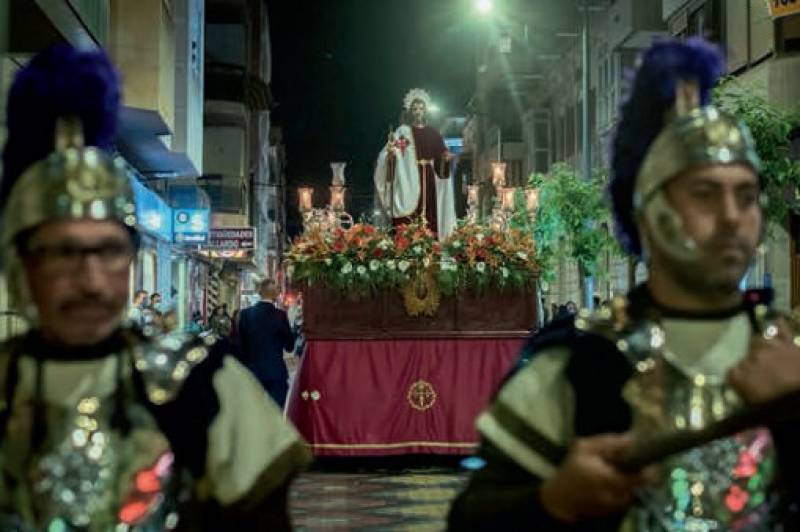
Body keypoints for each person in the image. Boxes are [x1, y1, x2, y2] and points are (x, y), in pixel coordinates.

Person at [448, 38, 800, 530]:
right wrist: (554, 500)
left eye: (746, 196)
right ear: (650, 213)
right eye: (705, 194)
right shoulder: (577, 361)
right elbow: (471, 521)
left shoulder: (790, 352)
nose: (731, 218)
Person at [0, 45, 310, 530]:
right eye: (62, 252)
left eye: (107, 250)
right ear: (21, 263)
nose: (89, 278)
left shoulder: (202, 383)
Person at [374, 87, 456, 238]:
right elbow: (387, 154)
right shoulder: (403, 132)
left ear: (426, 111)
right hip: (409, 179)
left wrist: (444, 159)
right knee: (410, 215)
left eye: (421, 108)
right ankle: (407, 245)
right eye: (415, 108)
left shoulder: (433, 133)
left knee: (430, 214)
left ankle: (430, 247)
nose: (418, 111)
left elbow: (441, 162)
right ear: (410, 111)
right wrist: (390, 155)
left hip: (429, 180)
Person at [237, 279, 296, 408]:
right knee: (275, 412)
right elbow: (289, 346)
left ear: (260, 293)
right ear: (275, 294)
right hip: (275, 372)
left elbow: (240, 346)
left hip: (251, 372)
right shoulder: (280, 315)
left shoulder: (245, 314)